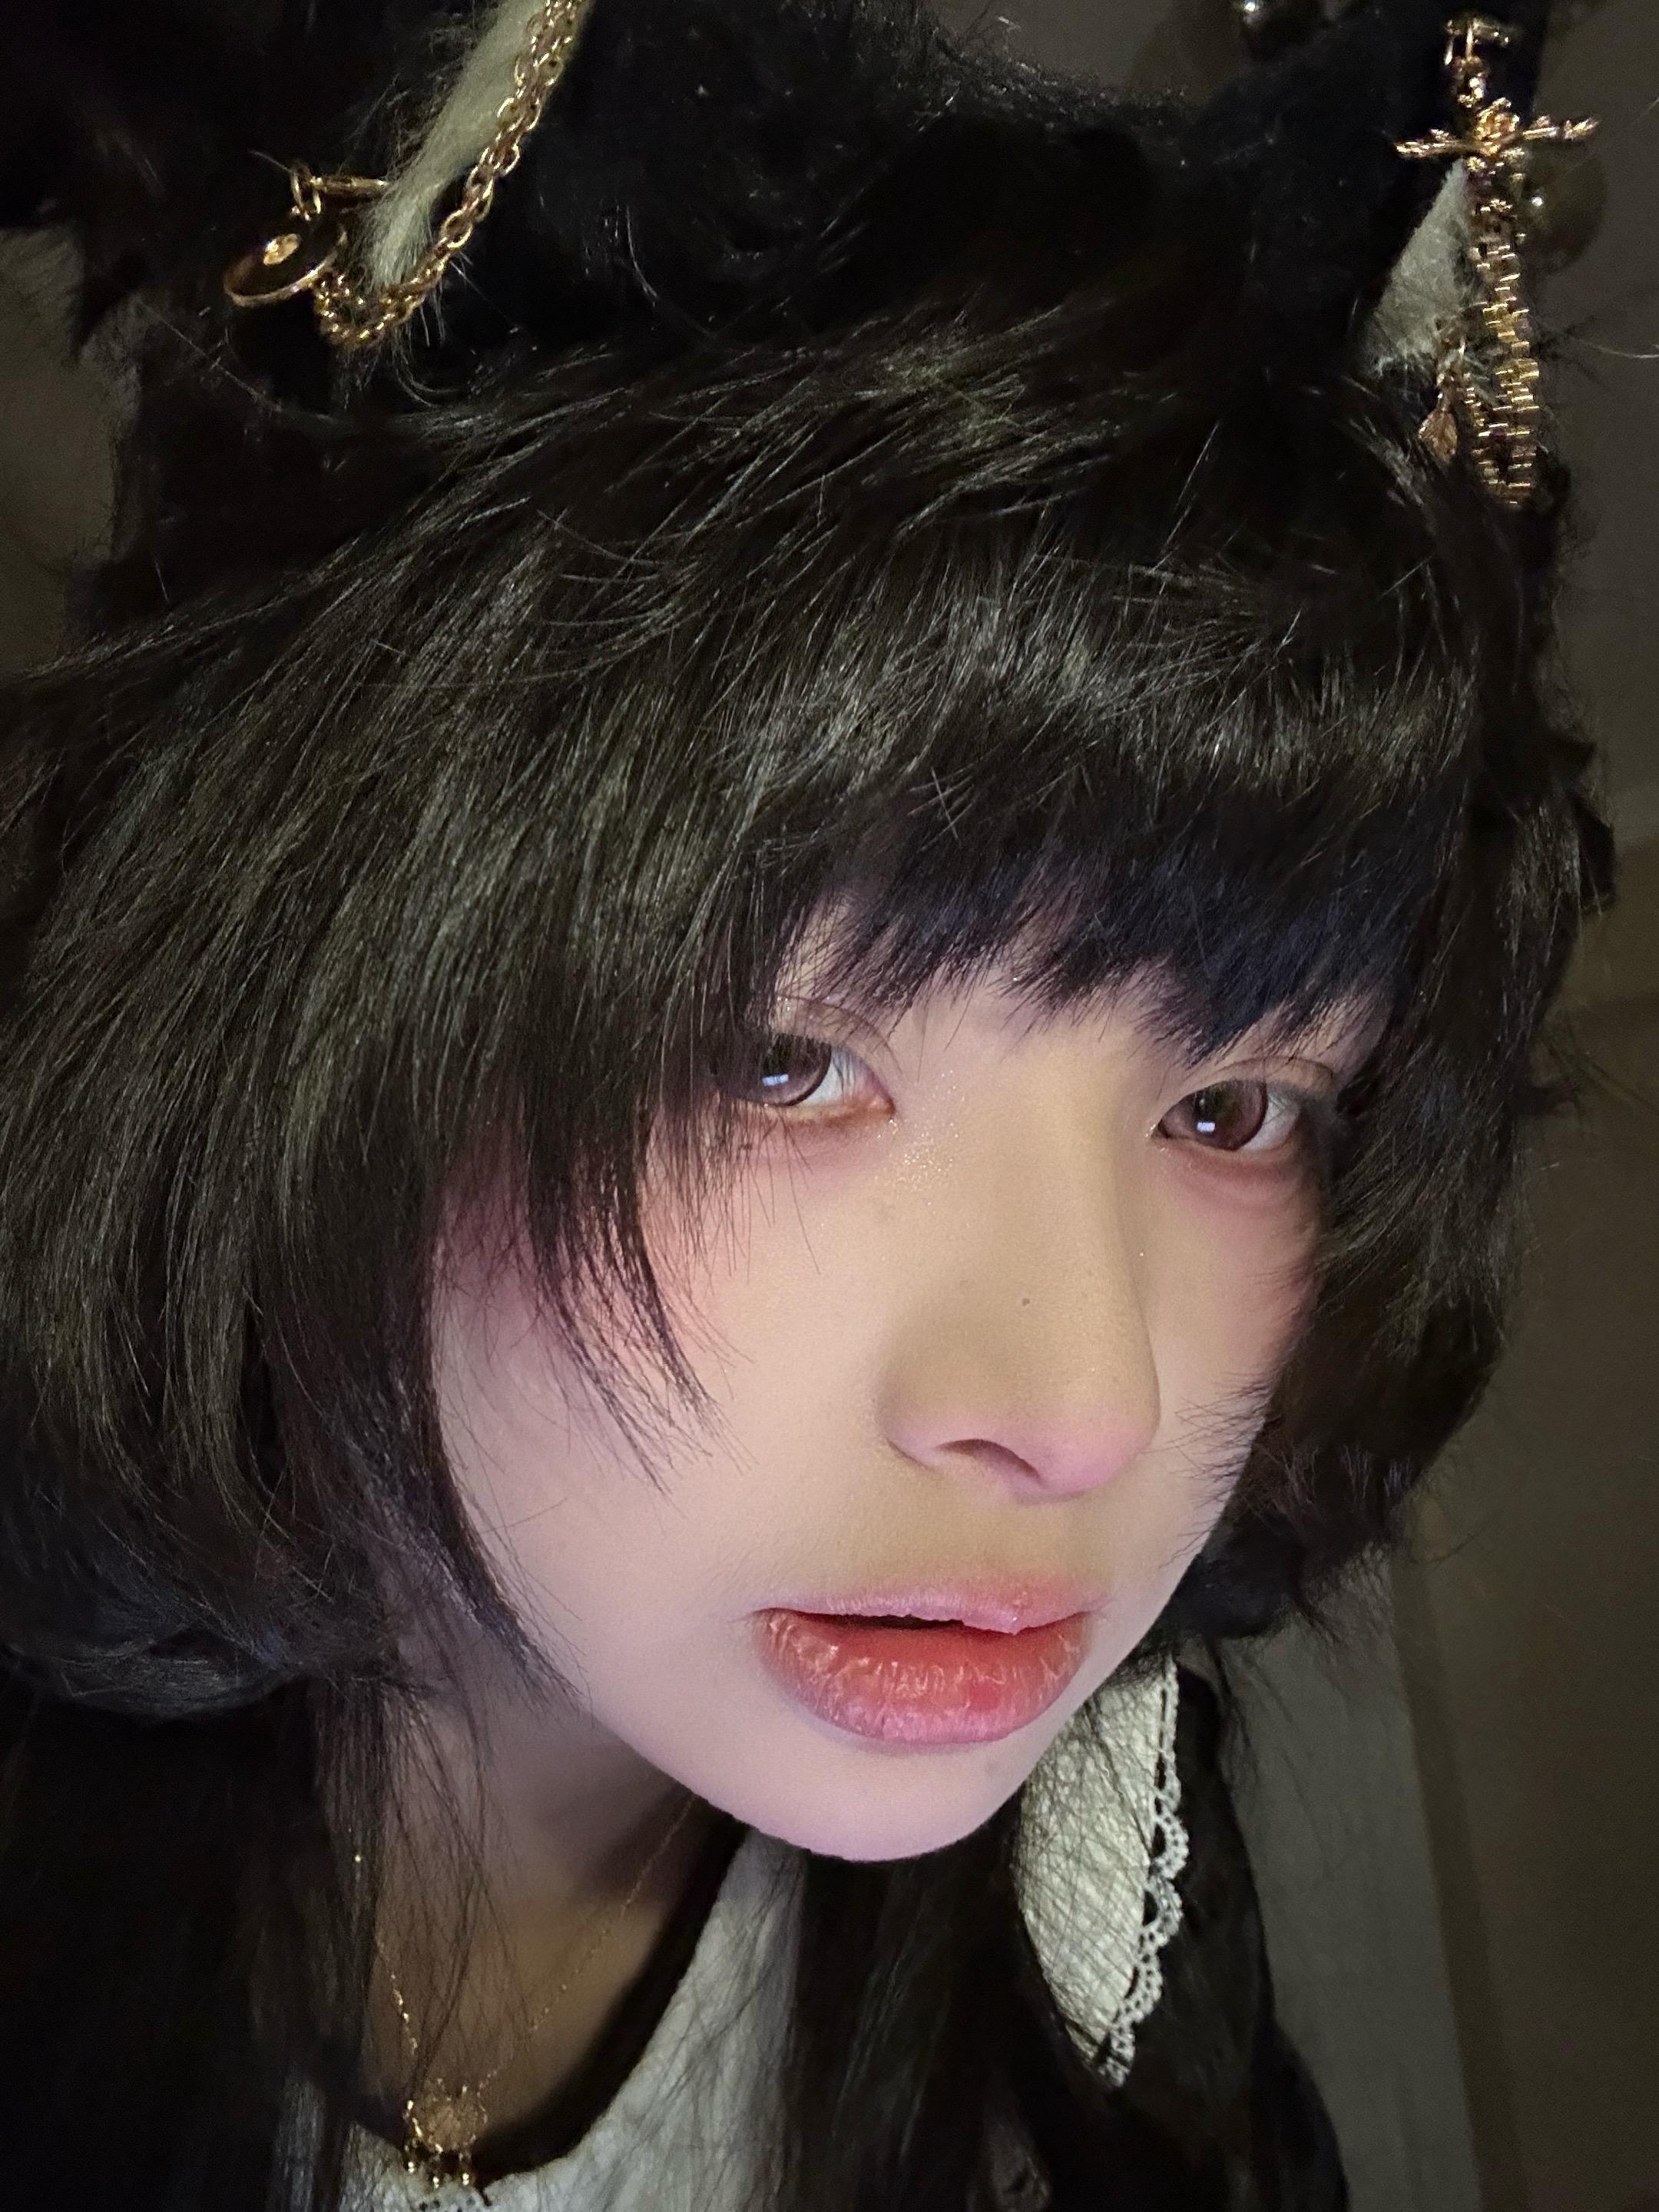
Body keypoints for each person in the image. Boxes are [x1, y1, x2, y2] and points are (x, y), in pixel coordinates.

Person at [0, 1, 1611, 2207]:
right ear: (300, 1021)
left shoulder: (1107, 1901)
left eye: (1236, 1109)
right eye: (785, 1062)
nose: (1085, 1410)